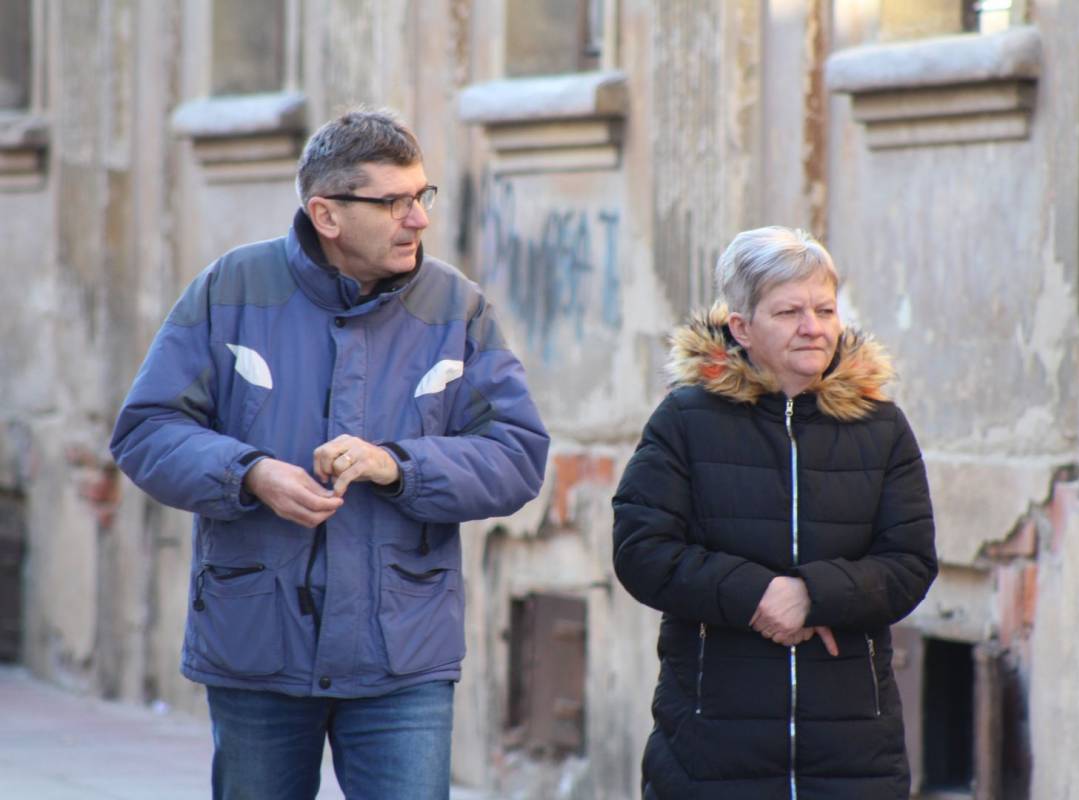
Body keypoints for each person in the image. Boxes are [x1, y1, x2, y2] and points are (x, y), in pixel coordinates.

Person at [110, 108, 549, 799]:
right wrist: (249, 473)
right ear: (327, 214)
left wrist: (399, 466)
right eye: (394, 202)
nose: (418, 219)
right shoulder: (233, 289)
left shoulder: (456, 307)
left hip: (401, 656)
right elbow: (147, 430)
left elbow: (517, 453)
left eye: (422, 196)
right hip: (258, 643)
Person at [612, 226, 937, 799]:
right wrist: (759, 595)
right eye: (789, 312)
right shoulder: (685, 420)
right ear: (741, 327)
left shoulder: (881, 426)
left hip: (853, 756)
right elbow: (642, 550)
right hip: (711, 753)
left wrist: (813, 595)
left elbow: (910, 562)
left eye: (824, 310)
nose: (813, 327)